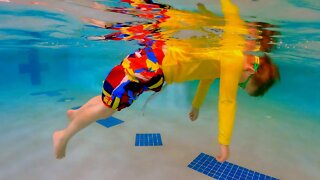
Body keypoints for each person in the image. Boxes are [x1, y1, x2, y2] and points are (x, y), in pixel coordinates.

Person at [53, 0, 280, 162]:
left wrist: (196, 106)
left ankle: (78, 113)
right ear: (251, 69)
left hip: (154, 67)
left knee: (111, 99)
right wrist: (224, 143)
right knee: (108, 108)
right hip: (153, 67)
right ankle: (63, 135)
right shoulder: (235, 59)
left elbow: (205, 80)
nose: (236, 85)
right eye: (242, 84)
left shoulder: (225, 59)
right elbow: (227, 101)